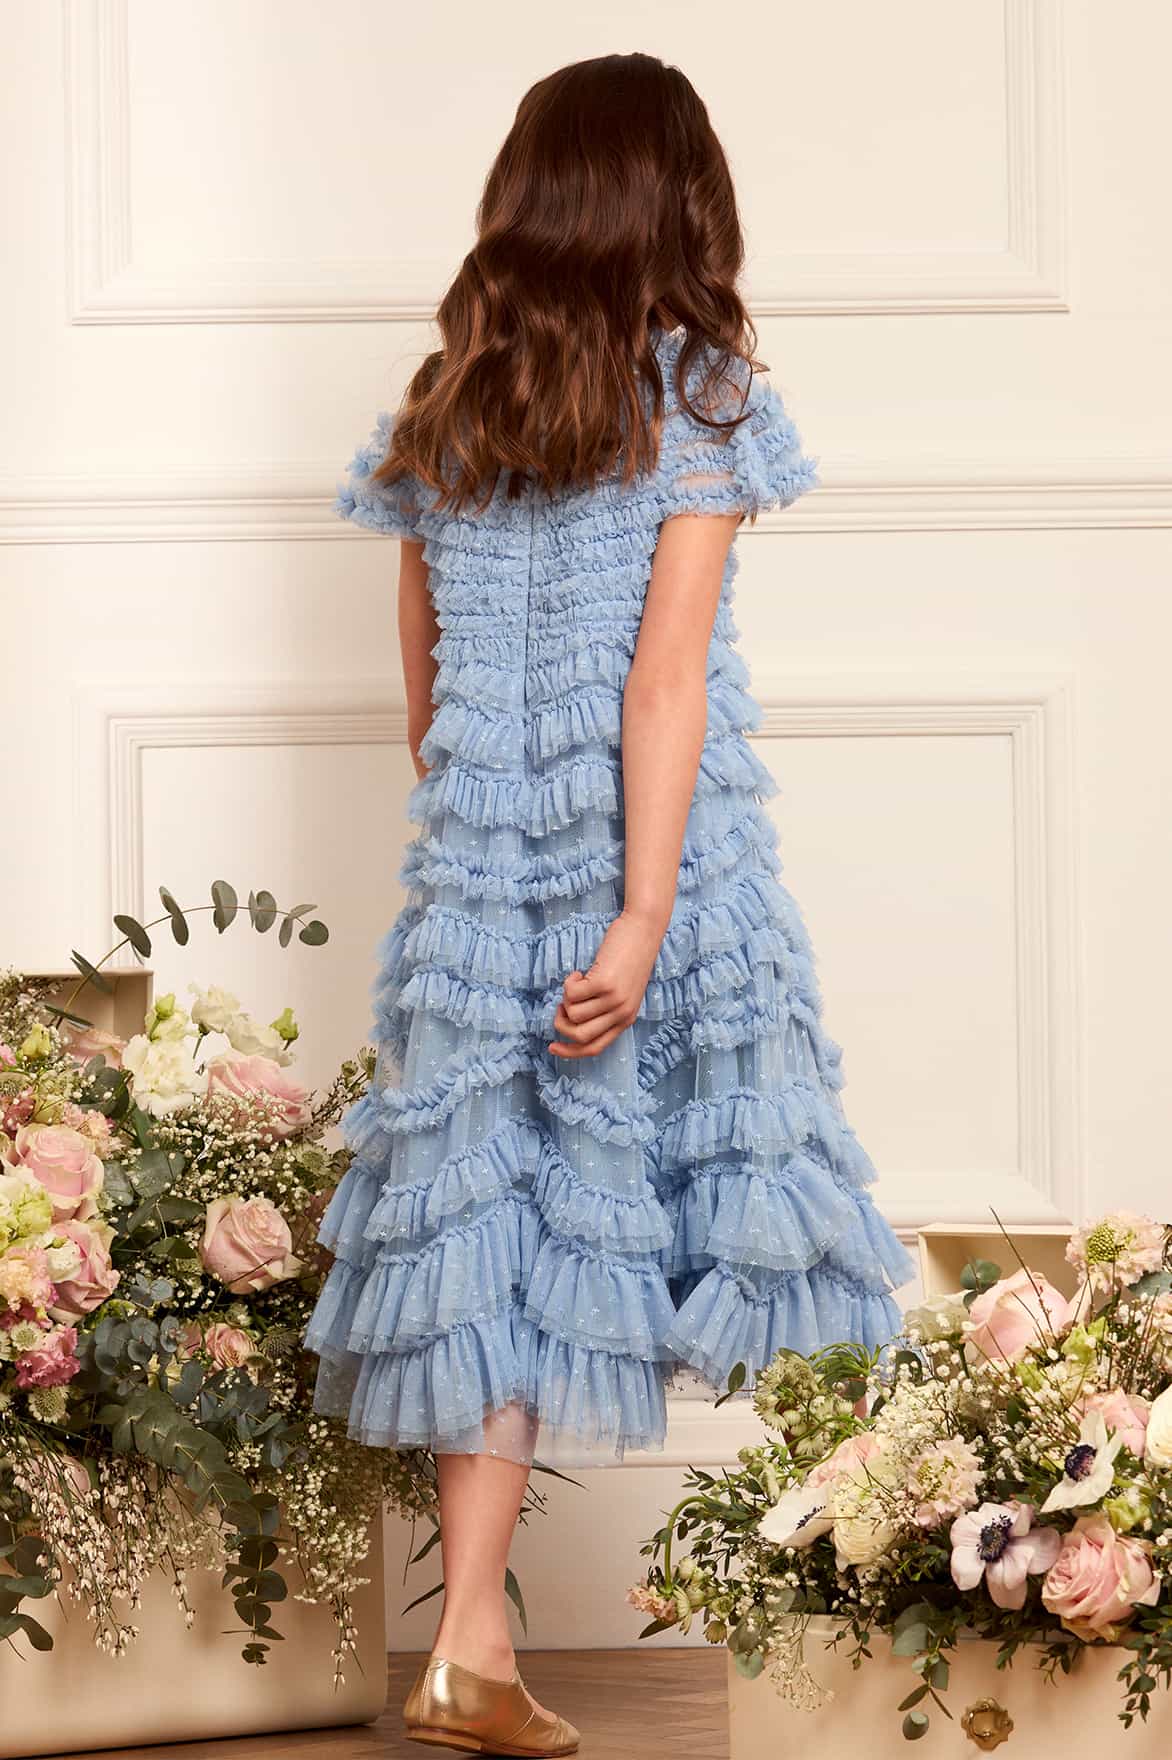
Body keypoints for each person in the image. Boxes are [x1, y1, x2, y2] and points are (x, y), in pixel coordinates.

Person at [305, 50, 913, 1757]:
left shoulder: (447, 404)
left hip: (478, 892)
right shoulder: (697, 396)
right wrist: (641, 916)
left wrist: (498, 861)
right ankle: (895, 1601)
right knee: (756, 1205)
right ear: (676, 200)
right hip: (663, 871)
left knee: (489, 1241)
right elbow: (664, 681)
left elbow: (426, 701)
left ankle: (471, 1639)